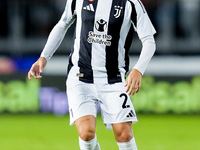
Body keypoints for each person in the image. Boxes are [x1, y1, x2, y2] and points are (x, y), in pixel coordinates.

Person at [28, 0, 156, 149]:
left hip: (113, 78)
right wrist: (44, 57)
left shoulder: (131, 3)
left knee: (124, 133)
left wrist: (138, 70)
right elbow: (62, 24)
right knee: (86, 133)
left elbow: (149, 41)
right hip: (80, 76)